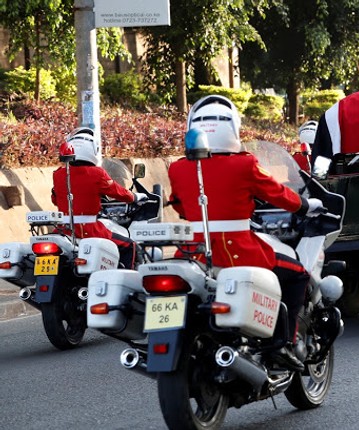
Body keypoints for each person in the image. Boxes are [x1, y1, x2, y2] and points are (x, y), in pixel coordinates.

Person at [168, 95, 324, 372]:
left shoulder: (179, 167)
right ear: (232, 128)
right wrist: (304, 205)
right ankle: (282, 343)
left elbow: (178, 204)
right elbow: (277, 194)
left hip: (192, 253)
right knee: (298, 274)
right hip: (238, 249)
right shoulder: (244, 164)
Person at [51, 128, 146, 270]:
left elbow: (56, 200)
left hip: (64, 230)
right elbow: (117, 192)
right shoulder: (97, 173)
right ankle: (125, 285)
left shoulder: (58, 174)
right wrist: (135, 196)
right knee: (130, 246)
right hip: (89, 230)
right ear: (93, 150)